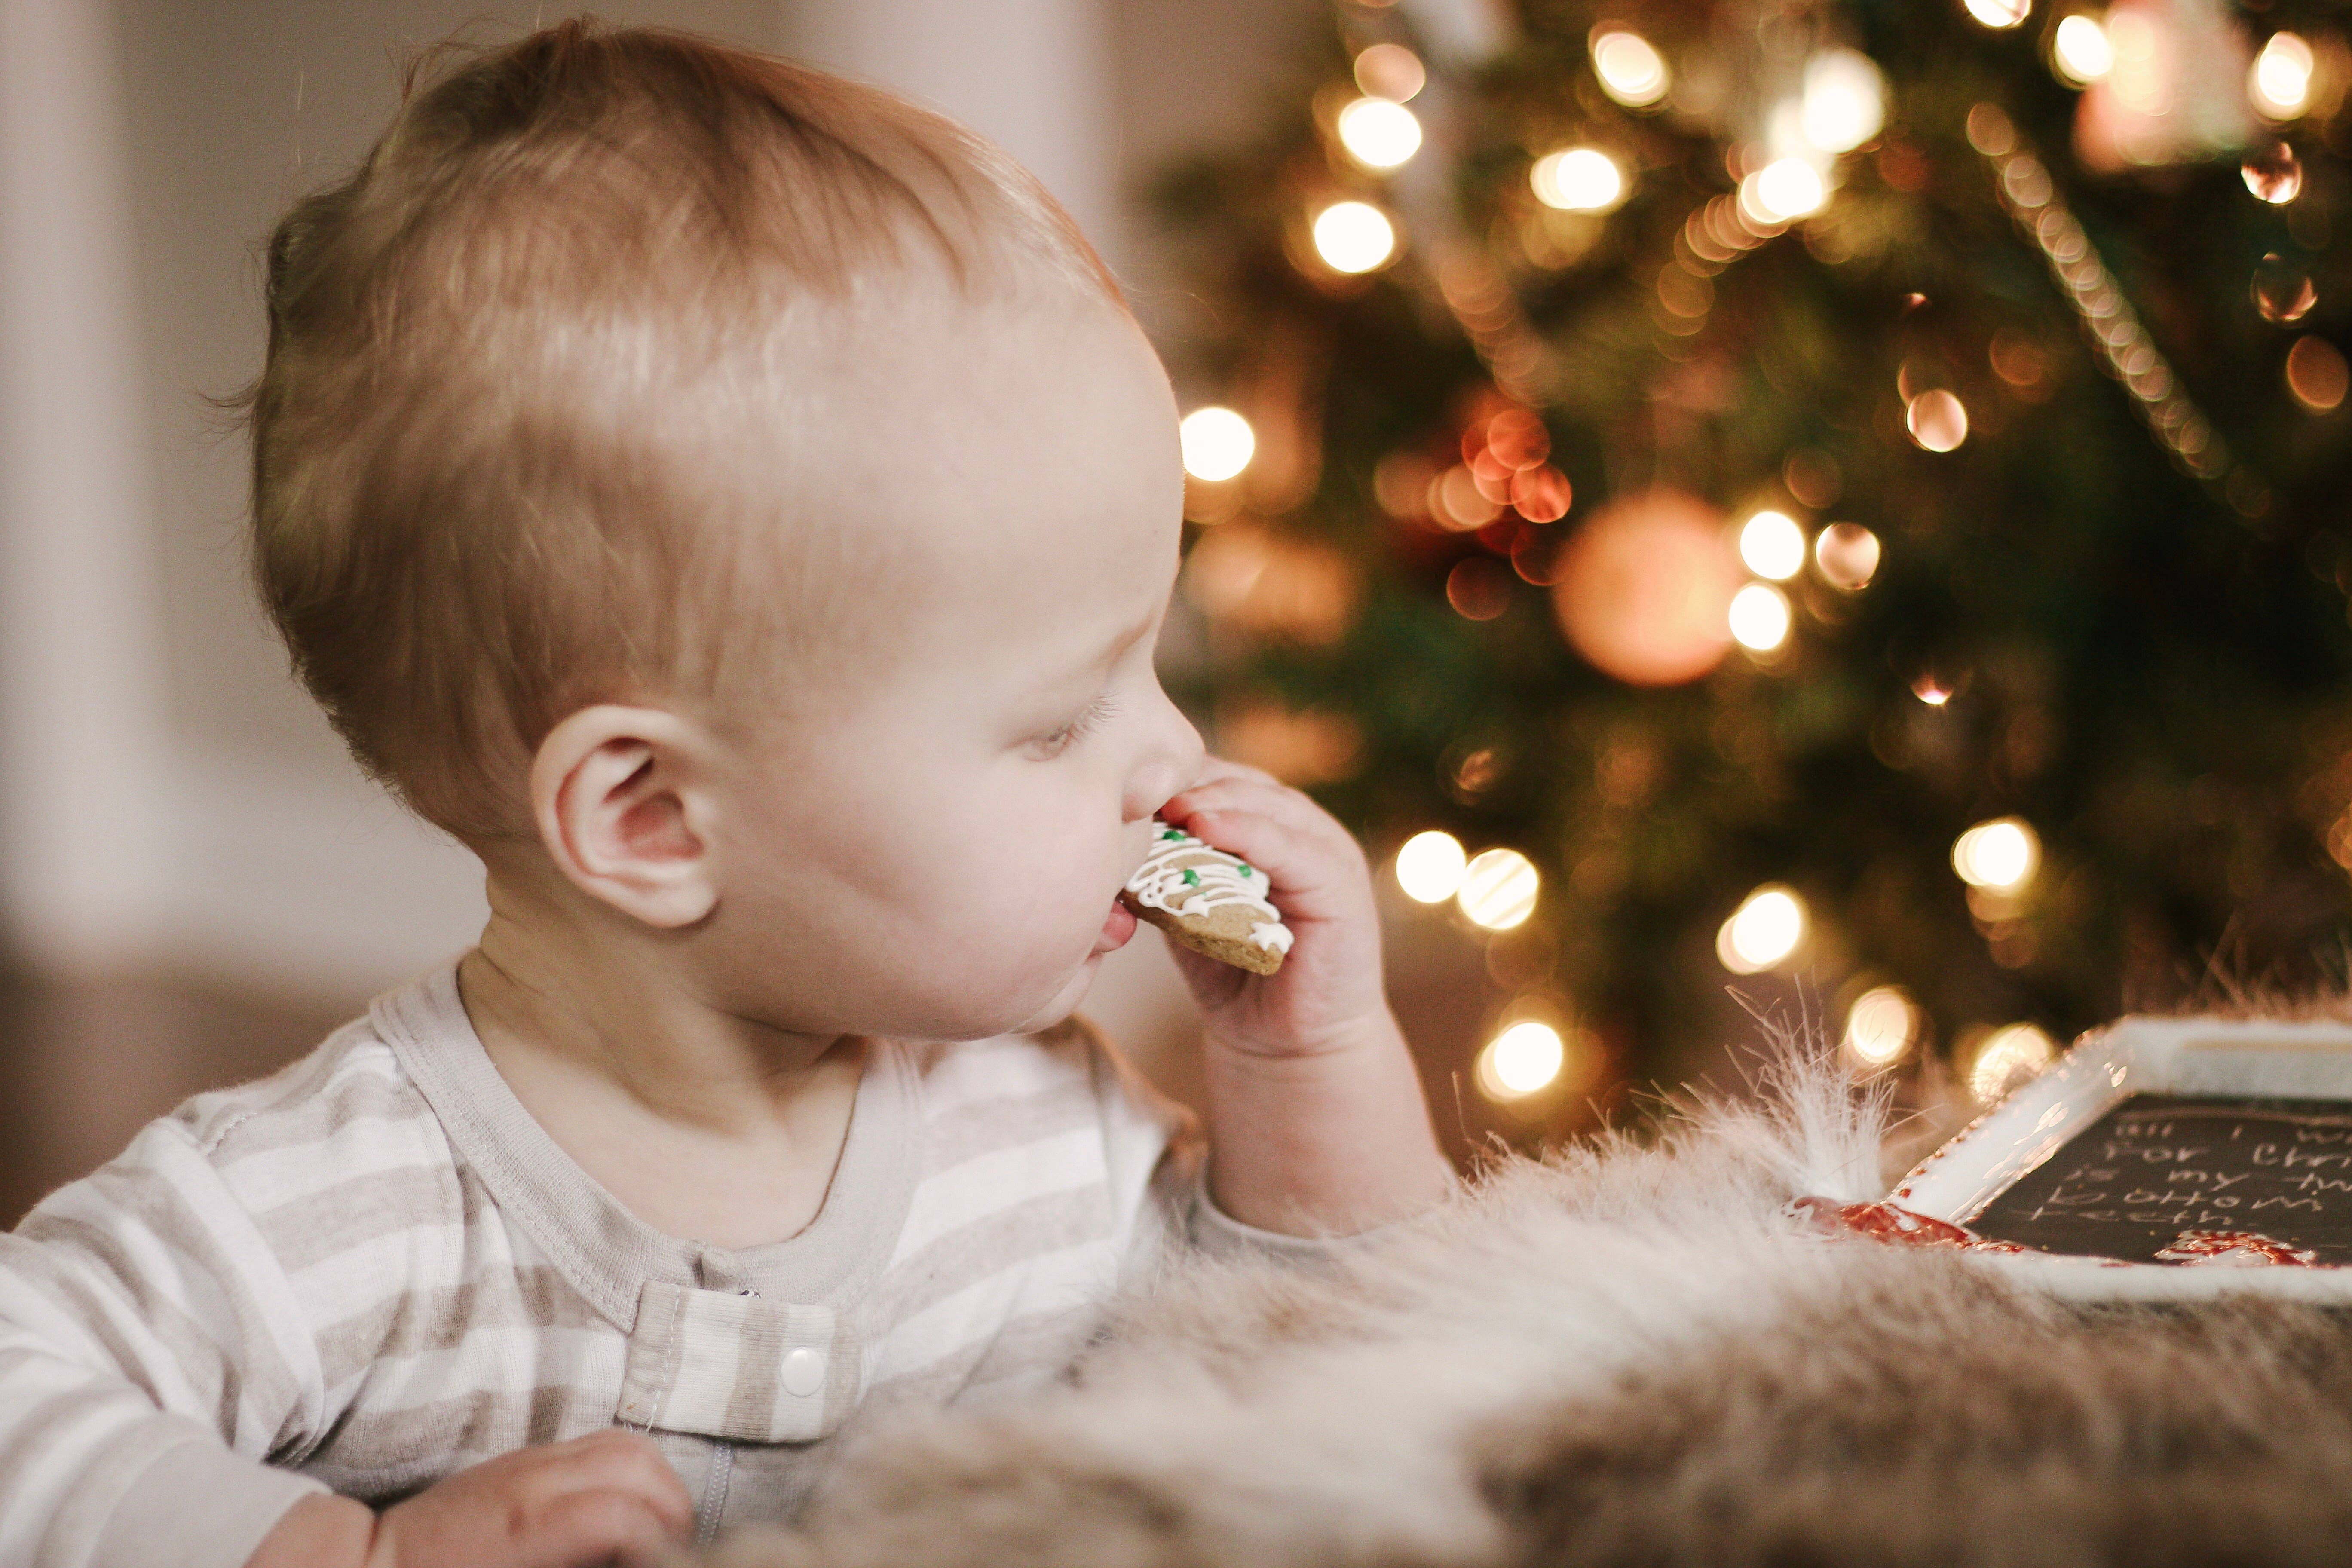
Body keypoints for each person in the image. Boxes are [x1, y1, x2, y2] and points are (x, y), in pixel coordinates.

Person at [0, 21, 1454, 1568]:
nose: (1172, 758)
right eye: (1054, 726)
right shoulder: (346, 1208)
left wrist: (1312, 1064)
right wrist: (351, 1553)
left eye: (1151, 665)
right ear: (648, 821)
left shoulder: (1048, 1138)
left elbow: (1332, 1367)